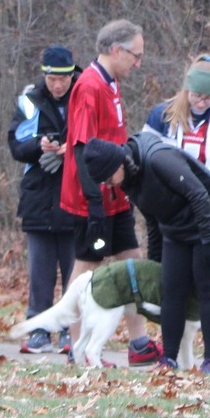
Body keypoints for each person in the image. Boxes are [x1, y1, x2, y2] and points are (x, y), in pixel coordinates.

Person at [81, 130, 210, 373]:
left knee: (207, 286)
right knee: (171, 288)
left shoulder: (158, 160)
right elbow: (153, 220)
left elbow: (198, 194)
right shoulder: (128, 182)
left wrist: (208, 239)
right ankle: (168, 358)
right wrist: (155, 263)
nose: (108, 185)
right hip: (178, 228)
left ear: (118, 164)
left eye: (107, 178)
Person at [63, 20, 159, 365]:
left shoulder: (112, 82)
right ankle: (77, 349)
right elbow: (82, 149)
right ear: (116, 50)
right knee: (84, 273)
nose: (138, 63)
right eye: (135, 55)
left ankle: (140, 343)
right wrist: (93, 204)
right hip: (91, 201)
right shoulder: (88, 86)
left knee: (132, 266)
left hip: (117, 197)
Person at [9, 45, 81, 354]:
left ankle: (69, 329)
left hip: (73, 195)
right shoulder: (29, 101)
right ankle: (38, 328)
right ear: (45, 76)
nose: (58, 85)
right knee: (40, 270)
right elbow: (16, 145)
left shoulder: (84, 96)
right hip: (38, 195)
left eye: (63, 79)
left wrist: (69, 151)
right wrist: (40, 146)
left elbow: (96, 141)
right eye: (52, 79)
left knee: (73, 270)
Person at [142, 55, 210, 262]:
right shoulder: (162, 115)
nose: (202, 103)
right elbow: (145, 153)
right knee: (163, 263)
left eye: (209, 98)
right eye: (196, 95)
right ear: (187, 89)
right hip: (168, 203)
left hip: (205, 203)